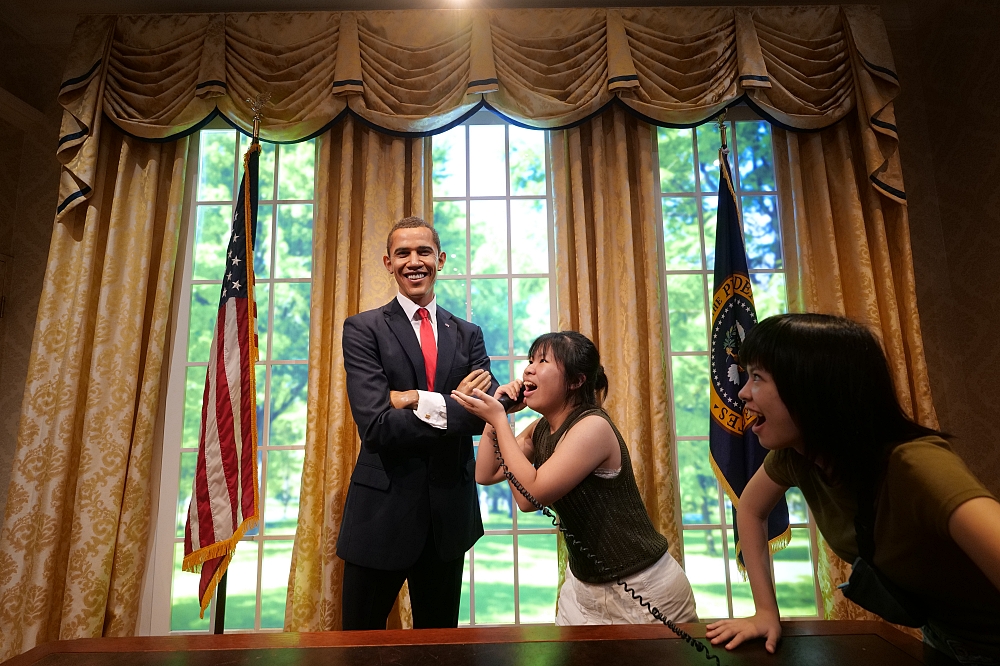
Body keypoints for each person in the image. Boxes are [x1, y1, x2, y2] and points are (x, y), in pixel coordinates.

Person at [705, 313, 1000, 664]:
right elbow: (751, 510)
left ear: (812, 389)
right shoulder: (795, 456)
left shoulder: (915, 465)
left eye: (757, 377)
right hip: (943, 641)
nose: (742, 392)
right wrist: (765, 611)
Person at [452, 331, 698, 626]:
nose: (528, 368)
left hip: (645, 586)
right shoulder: (539, 429)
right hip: (583, 589)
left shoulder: (592, 427)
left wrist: (499, 421)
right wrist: (498, 414)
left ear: (576, 381)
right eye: (530, 360)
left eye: (542, 361)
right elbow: (487, 473)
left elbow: (529, 497)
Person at [337, 216, 499, 630]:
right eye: (403, 253)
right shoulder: (363, 329)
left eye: (424, 252)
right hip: (380, 515)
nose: (415, 261)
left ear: (440, 260)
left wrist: (413, 399)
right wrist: (453, 407)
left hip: (449, 519)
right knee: (359, 649)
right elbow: (376, 425)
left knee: (439, 651)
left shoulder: (468, 334)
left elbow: (484, 415)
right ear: (388, 262)